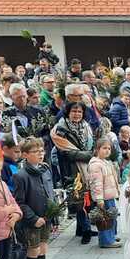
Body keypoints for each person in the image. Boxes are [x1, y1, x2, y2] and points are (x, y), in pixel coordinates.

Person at [12, 137, 65, 259]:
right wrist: (33, 218)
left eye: (41, 151)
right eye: (35, 152)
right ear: (25, 155)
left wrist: (53, 216)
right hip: (32, 221)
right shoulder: (21, 175)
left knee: (42, 249)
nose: (40, 154)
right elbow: (19, 202)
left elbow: (50, 194)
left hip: (46, 218)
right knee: (33, 250)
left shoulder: (45, 170)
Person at [52, 101, 97, 244]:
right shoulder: (61, 129)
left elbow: (93, 143)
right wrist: (88, 155)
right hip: (71, 168)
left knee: (86, 197)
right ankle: (86, 230)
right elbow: (65, 152)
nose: (77, 114)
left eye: (79, 112)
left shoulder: (86, 126)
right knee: (79, 198)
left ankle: (81, 228)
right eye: (74, 111)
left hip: (86, 166)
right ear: (67, 112)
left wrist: (91, 153)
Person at [88, 138, 122, 249]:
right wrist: (99, 198)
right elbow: (97, 183)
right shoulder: (96, 165)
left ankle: (111, 236)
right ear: (97, 149)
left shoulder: (106, 162)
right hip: (104, 197)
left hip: (109, 195)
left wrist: (117, 191)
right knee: (105, 218)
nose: (107, 150)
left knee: (111, 217)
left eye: (109, 148)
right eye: (104, 148)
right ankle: (106, 240)